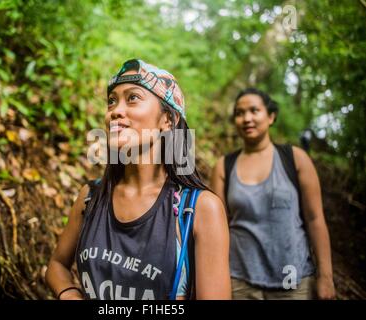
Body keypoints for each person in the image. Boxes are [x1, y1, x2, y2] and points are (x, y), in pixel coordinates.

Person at [46, 59, 231, 300]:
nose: (115, 111)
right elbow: (57, 265)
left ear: (168, 120)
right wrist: (69, 294)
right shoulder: (90, 197)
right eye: (111, 101)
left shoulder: (199, 209)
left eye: (132, 98)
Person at [210, 88, 336, 300]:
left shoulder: (295, 158)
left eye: (254, 110)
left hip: (292, 279)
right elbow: (216, 229)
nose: (246, 118)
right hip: (239, 280)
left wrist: (325, 276)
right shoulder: (224, 166)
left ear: (271, 116)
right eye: (239, 113)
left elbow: (315, 219)